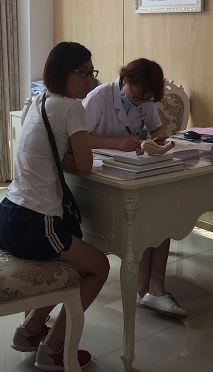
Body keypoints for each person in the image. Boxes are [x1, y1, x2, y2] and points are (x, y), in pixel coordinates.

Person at [0, 41, 110, 370]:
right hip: (34, 223)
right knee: (99, 267)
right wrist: (74, 159)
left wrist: (70, 156)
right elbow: (84, 165)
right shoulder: (72, 108)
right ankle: (55, 349)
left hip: (7, 214)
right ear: (62, 72)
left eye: (92, 72)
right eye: (82, 73)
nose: (90, 80)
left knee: (74, 264)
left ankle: (30, 331)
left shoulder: (39, 99)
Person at [82, 58, 187, 319]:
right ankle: (145, 289)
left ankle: (155, 289)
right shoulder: (99, 98)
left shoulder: (145, 99)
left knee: (161, 208)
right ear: (125, 80)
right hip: (99, 177)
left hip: (133, 170)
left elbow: (157, 128)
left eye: (145, 99)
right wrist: (116, 143)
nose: (140, 102)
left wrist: (160, 142)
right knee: (142, 214)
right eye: (136, 97)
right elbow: (81, 139)